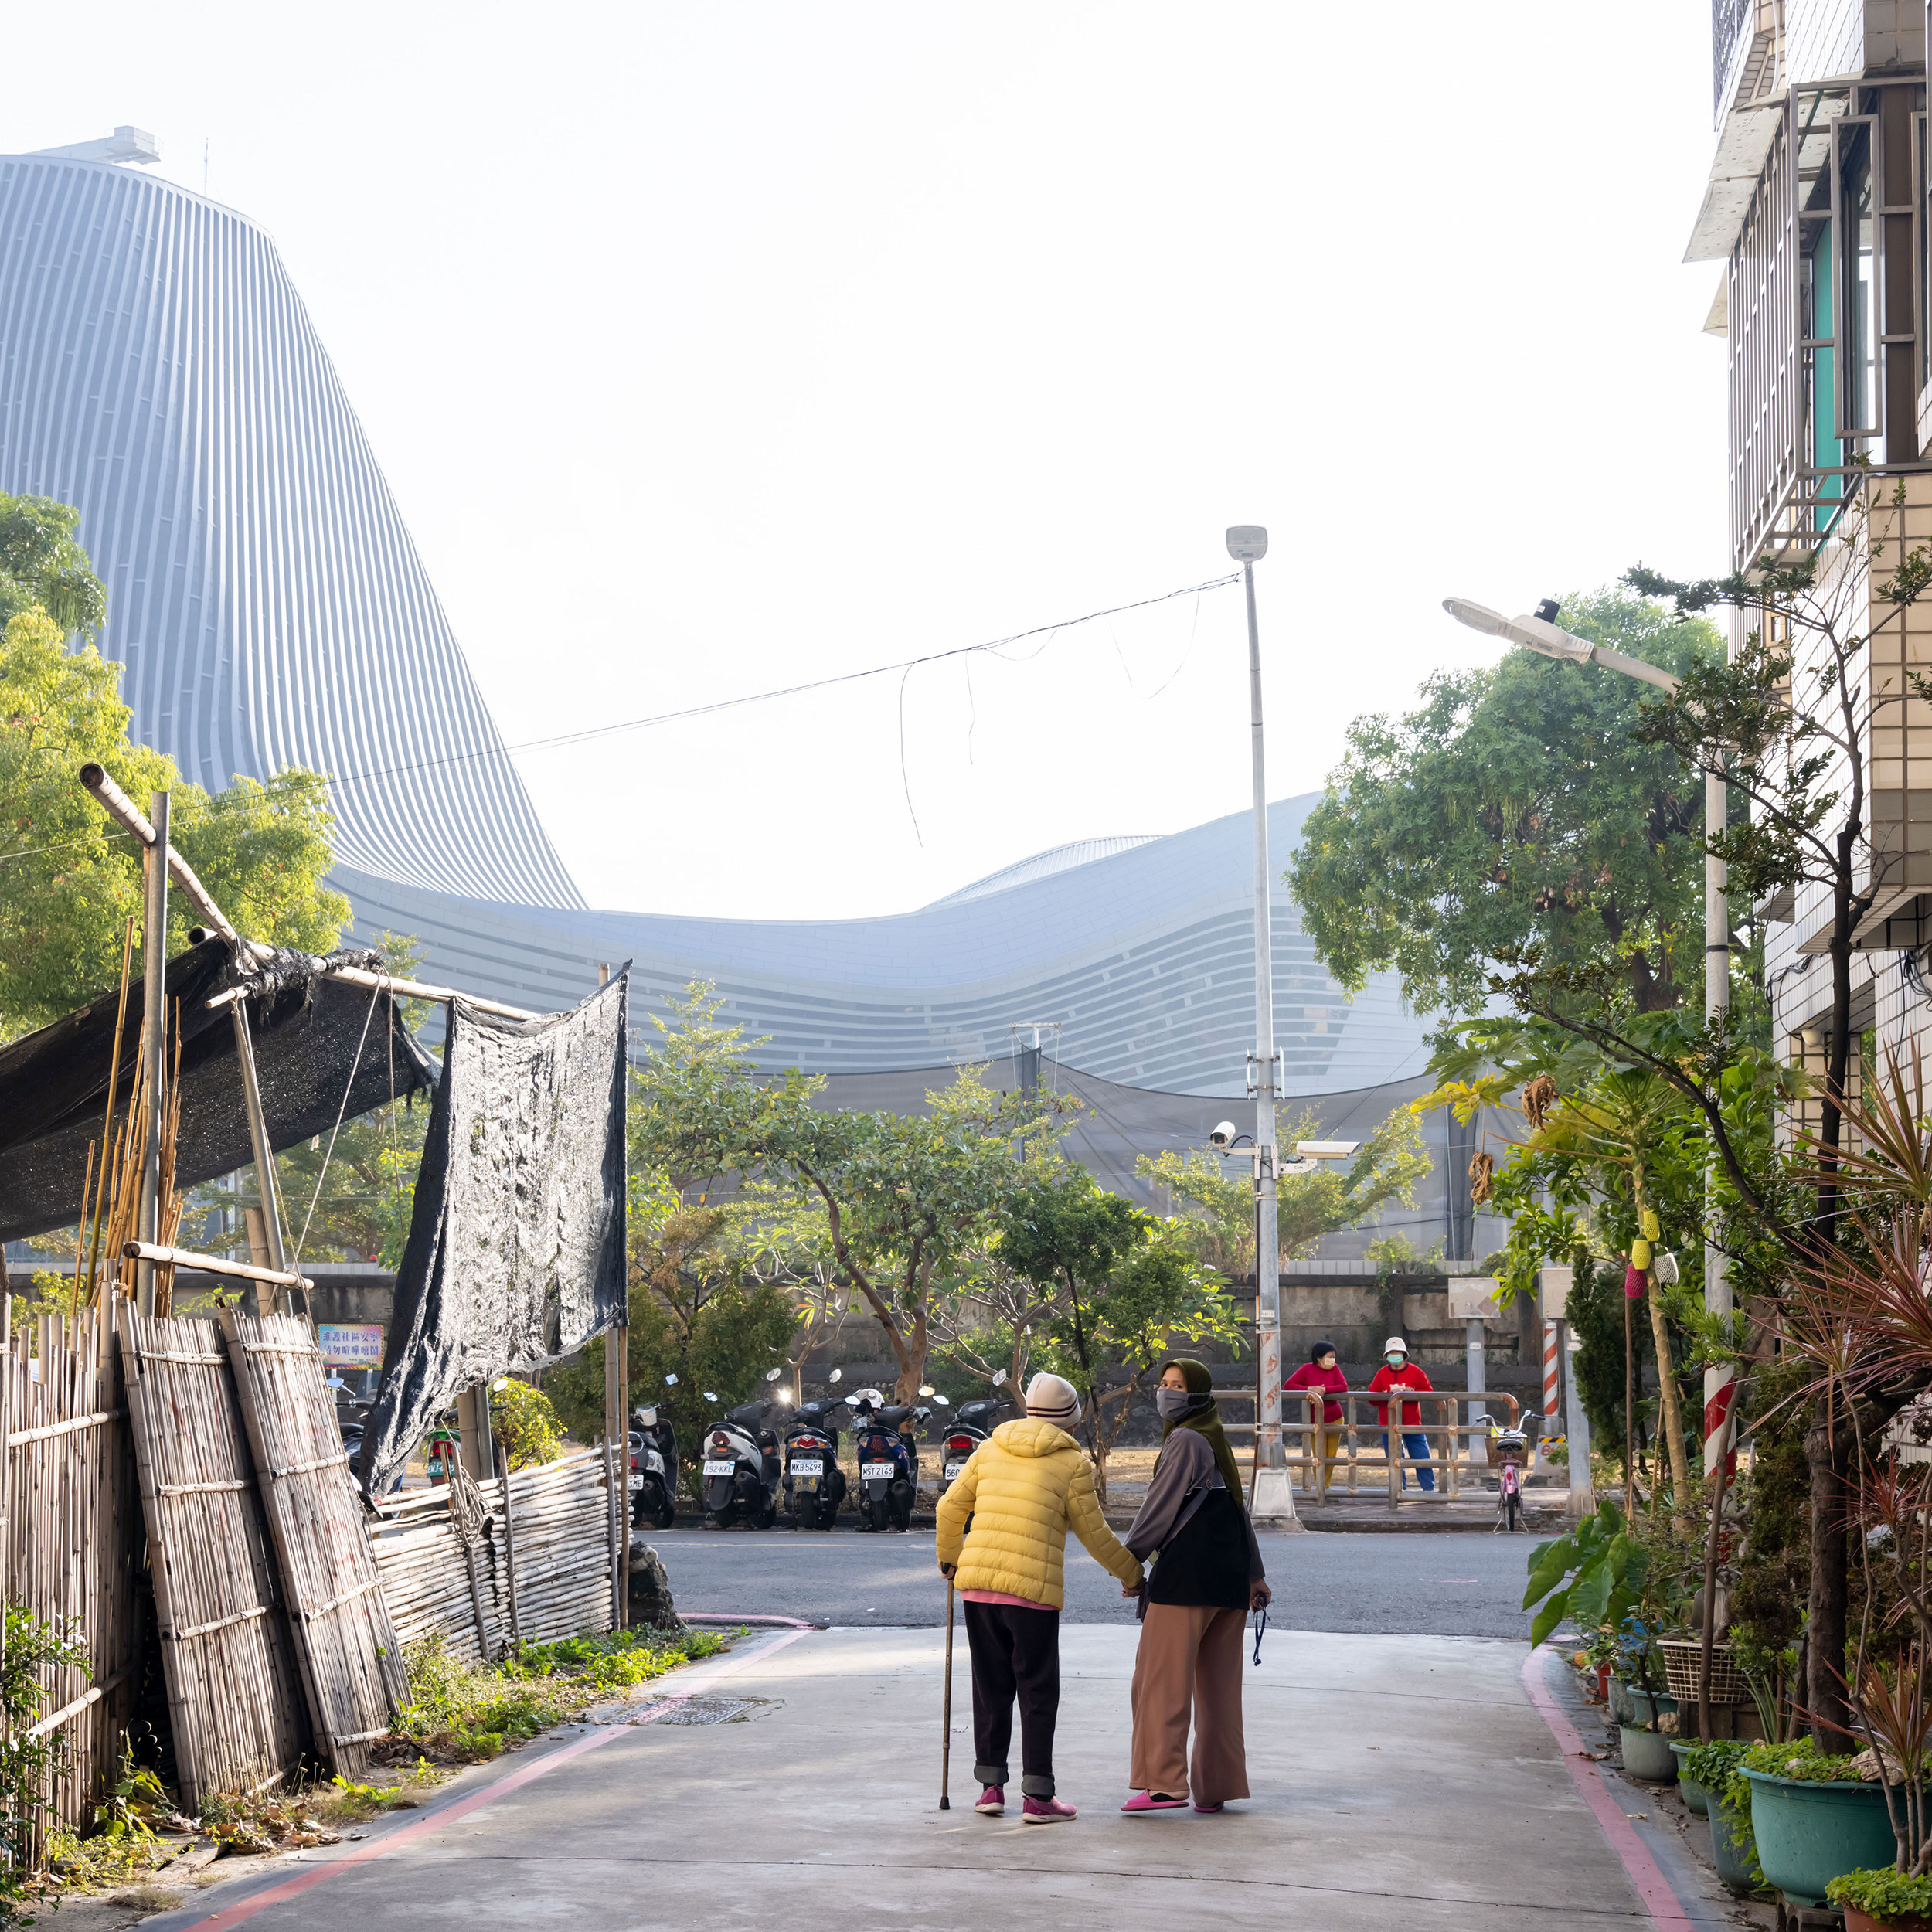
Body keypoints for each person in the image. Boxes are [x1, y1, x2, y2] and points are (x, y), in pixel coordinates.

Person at [935, 1371, 1143, 1825]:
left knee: (990, 1687)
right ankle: (1038, 1797)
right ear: (1070, 1422)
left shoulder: (988, 1450)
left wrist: (950, 1560)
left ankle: (990, 1788)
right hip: (1032, 1594)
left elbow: (949, 1508)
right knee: (1036, 1690)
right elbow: (1096, 1535)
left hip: (977, 1586)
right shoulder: (1072, 1466)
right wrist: (1133, 1575)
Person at [1119, 1359, 1272, 1815]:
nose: (1167, 1392)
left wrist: (1130, 1561)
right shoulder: (1215, 1438)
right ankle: (1215, 1786)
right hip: (1228, 1581)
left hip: (1185, 1578)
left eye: (1178, 1386)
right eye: (1164, 1384)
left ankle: (1163, 1784)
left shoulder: (1184, 1439)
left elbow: (1159, 1506)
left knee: (1158, 1684)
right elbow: (1238, 1513)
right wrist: (1254, 1575)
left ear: (1198, 1394)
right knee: (1220, 1691)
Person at [1368, 1335, 1436, 1492]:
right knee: (1394, 1458)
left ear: (1404, 1354)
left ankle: (1429, 1490)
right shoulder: (1381, 1374)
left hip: (1412, 1423)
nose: (1394, 1356)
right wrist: (1385, 1395)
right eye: (1391, 1353)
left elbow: (1429, 1392)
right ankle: (1398, 1489)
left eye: (1397, 1352)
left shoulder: (1416, 1372)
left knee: (1421, 1456)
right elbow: (1372, 1397)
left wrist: (1413, 1392)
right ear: (1386, 1356)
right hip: (1389, 1424)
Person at [1283, 1340, 1348, 1479]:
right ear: (1319, 1358)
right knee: (1319, 1456)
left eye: (1333, 1356)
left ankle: (1325, 1486)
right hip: (1315, 1420)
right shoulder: (1307, 1369)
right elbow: (1289, 1385)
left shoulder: (1335, 1369)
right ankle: (1320, 1487)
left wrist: (1324, 1390)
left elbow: (1343, 1386)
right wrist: (1309, 1389)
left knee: (1331, 1456)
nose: (1332, 1359)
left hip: (1336, 1418)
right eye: (1329, 1356)